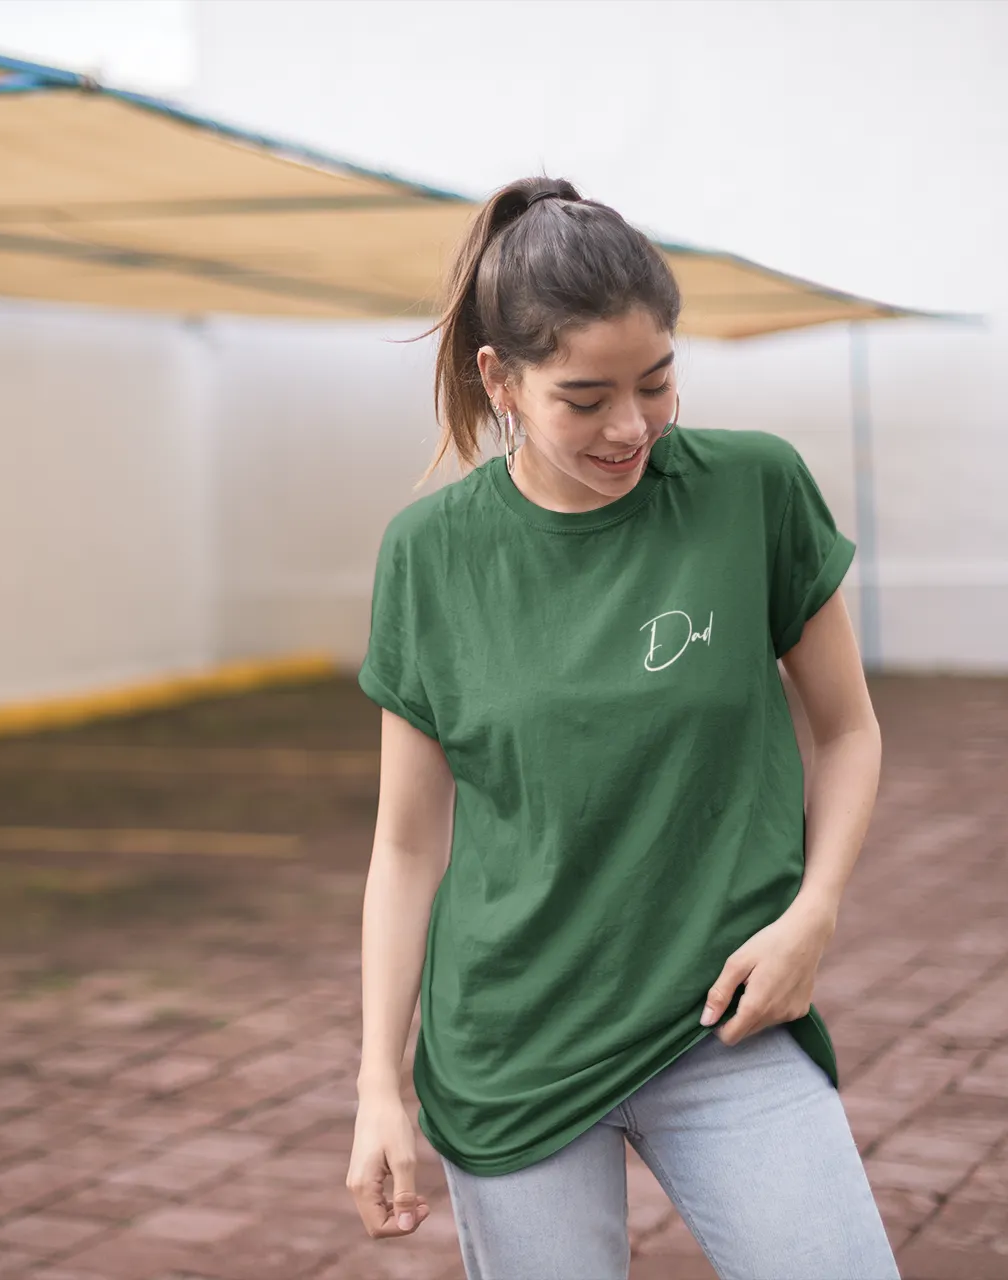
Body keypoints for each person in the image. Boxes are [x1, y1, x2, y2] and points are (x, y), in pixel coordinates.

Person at [345, 176, 899, 1280]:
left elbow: (847, 732)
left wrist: (814, 914)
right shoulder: (430, 553)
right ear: (499, 379)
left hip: (726, 1016)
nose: (632, 425)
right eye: (585, 397)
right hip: (512, 1045)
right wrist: (378, 1086)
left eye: (656, 381)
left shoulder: (752, 490)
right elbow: (407, 844)